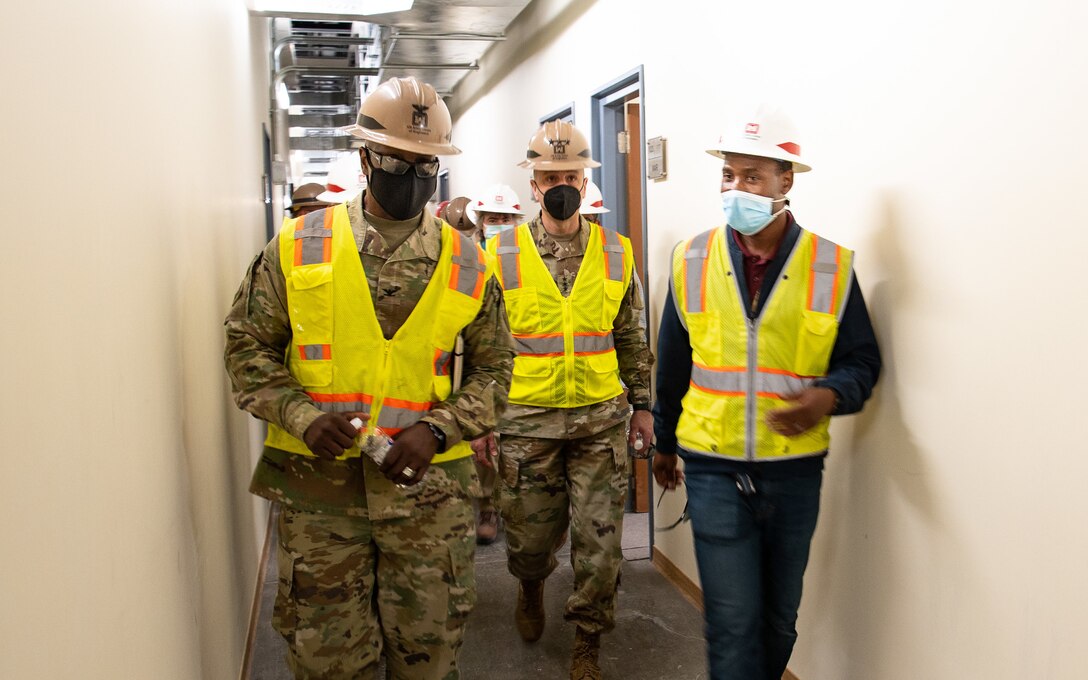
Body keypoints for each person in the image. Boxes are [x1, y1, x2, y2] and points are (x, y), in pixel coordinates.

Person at [224, 76, 515, 680]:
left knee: (427, 658)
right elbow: (246, 346)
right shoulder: (298, 246)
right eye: (394, 162)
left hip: (429, 492)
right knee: (327, 660)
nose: (410, 177)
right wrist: (302, 417)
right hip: (319, 491)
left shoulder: (468, 261)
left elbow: (494, 368)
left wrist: (439, 431)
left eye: (425, 166)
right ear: (364, 158)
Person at [652, 105, 882, 680]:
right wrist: (661, 443)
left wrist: (827, 397)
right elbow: (673, 365)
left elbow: (862, 361)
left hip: (795, 472)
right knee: (731, 623)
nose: (736, 189)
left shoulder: (829, 265)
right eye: (728, 175)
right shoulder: (692, 258)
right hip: (711, 468)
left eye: (752, 176)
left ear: (787, 181)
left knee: (778, 622)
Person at [486, 119, 654, 680]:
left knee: (600, 547)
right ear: (532, 183)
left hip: (600, 422)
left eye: (570, 173)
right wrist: (480, 419)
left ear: (585, 180)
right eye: (548, 174)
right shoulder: (497, 252)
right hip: (525, 423)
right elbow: (481, 344)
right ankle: (530, 584)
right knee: (530, 542)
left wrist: (645, 405)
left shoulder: (616, 250)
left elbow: (631, 333)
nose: (560, 183)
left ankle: (589, 639)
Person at [462, 183, 525, 543]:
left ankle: (512, 505)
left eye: (506, 218)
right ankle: (488, 504)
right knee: (485, 437)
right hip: (485, 359)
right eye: (493, 218)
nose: (500, 223)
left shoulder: (528, 257)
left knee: (512, 442)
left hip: (526, 362)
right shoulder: (471, 257)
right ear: (481, 223)